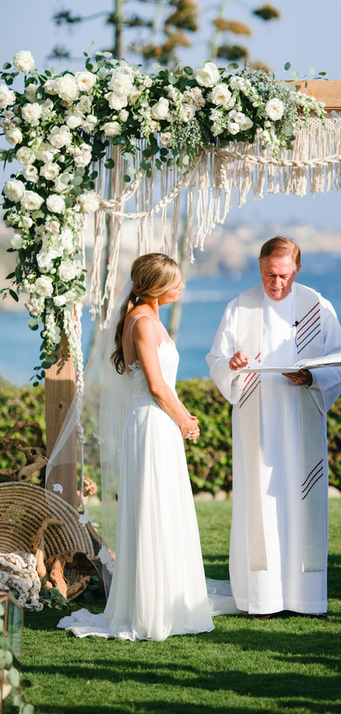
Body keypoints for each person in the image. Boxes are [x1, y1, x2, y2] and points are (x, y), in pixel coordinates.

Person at [57, 253, 214, 640]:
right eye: (175, 282)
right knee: (152, 508)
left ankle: (168, 599)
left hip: (157, 422)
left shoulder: (146, 317)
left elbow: (162, 385)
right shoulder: (142, 322)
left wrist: (180, 414)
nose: (181, 287)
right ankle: (151, 608)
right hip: (151, 424)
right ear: (158, 287)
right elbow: (158, 387)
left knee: (163, 508)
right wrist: (186, 421)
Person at [207, 236, 341, 617]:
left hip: (300, 418)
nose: (277, 284)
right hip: (259, 425)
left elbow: (340, 361)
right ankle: (262, 597)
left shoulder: (318, 306)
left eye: (285, 276)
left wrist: (312, 378)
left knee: (300, 501)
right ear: (259, 267)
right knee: (262, 505)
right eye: (270, 275)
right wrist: (232, 364)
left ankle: (304, 597)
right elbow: (216, 360)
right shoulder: (240, 306)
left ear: (298, 270)